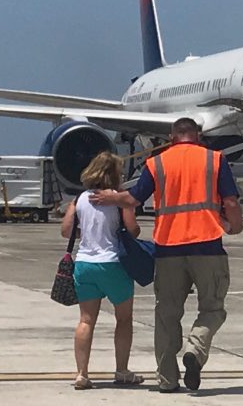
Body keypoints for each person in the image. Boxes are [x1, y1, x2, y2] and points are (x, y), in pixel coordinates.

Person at [90, 117, 243, 393]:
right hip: (207, 246)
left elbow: (133, 199)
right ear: (197, 136)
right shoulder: (215, 159)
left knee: (166, 316)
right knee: (212, 308)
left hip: (168, 249)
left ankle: (167, 380)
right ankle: (195, 350)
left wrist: (110, 198)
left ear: (172, 137)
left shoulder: (157, 163)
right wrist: (236, 226)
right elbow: (230, 201)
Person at [60, 151, 144, 390]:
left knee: (86, 320)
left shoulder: (79, 199)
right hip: (113, 263)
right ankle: (122, 370)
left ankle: (81, 373)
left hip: (85, 264)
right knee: (124, 318)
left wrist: (88, 232)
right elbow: (134, 230)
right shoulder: (118, 199)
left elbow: (66, 231)